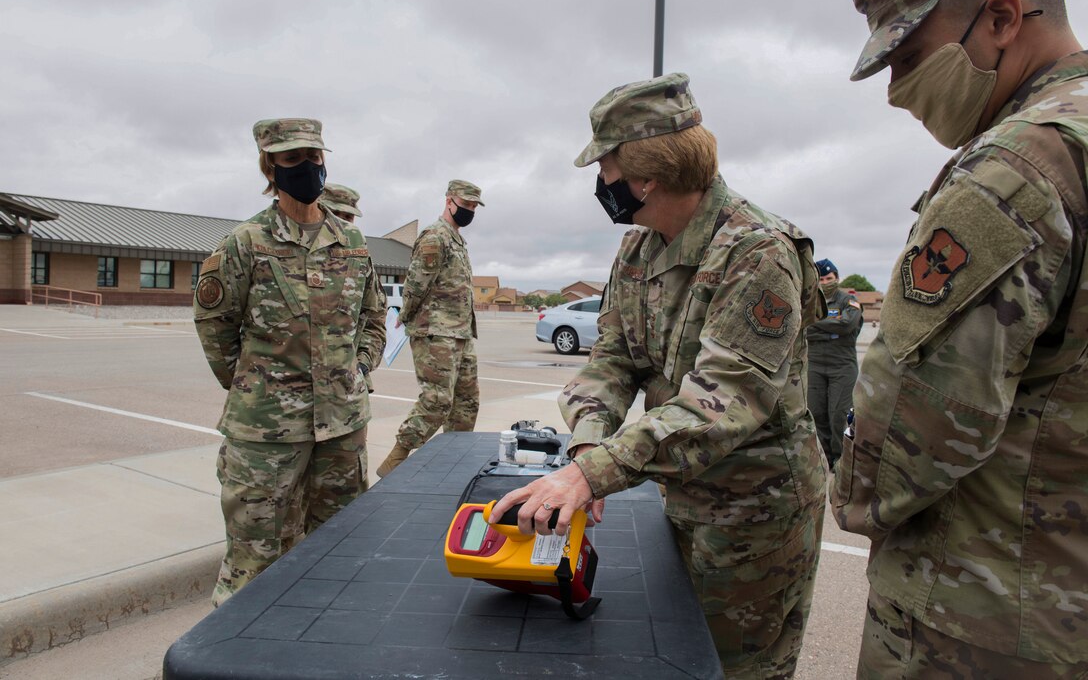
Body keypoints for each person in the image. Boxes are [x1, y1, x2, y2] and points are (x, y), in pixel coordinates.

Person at [491, 74, 826, 677]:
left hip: (755, 513)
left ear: (647, 175)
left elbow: (720, 404)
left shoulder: (757, 250)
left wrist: (593, 476)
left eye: (607, 168)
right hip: (680, 494)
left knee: (737, 667)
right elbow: (612, 359)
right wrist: (589, 443)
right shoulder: (638, 249)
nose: (603, 184)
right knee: (676, 656)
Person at [836, 0, 1088, 676]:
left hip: (988, 615)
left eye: (909, 56)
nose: (895, 93)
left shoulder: (1022, 166)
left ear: (1003, 20)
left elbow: (914, 418)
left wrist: (850, 489)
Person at [194, 118, 386, 606]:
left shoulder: (353, 243)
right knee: (254, 565)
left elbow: (374, 318)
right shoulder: (245, 242)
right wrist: (256, 387)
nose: (307, 167)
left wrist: (358, 370)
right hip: (266, 436)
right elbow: (216, 329)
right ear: (270, 166)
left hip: (342, 430)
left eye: (314, 157)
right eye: (292, 159)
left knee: (338, 552)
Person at [375, 180, 482, 477]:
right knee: (437, 401)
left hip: (461, 332)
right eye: (466, 204)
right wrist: (406, 315)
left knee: (467, 402)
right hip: (436, 332)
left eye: (474, 206)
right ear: (449, 201)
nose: (470, 210)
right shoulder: (435, 236)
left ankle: (455, 459)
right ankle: (396, 458)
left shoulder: (457, 240)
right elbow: (417, 282)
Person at [805, 258, 862, 471]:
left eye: (829, 278)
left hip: (842, 367)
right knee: (816, 414)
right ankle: (824, 459)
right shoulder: (809, 303)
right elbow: (804, 330)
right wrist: (831, 333)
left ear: (837, 278)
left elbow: (847, 324)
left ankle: (841, 462)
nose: (826, 282)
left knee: (838, 416)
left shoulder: (849, 301)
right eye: (821, 279)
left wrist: (817, 327)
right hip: (815, 367)